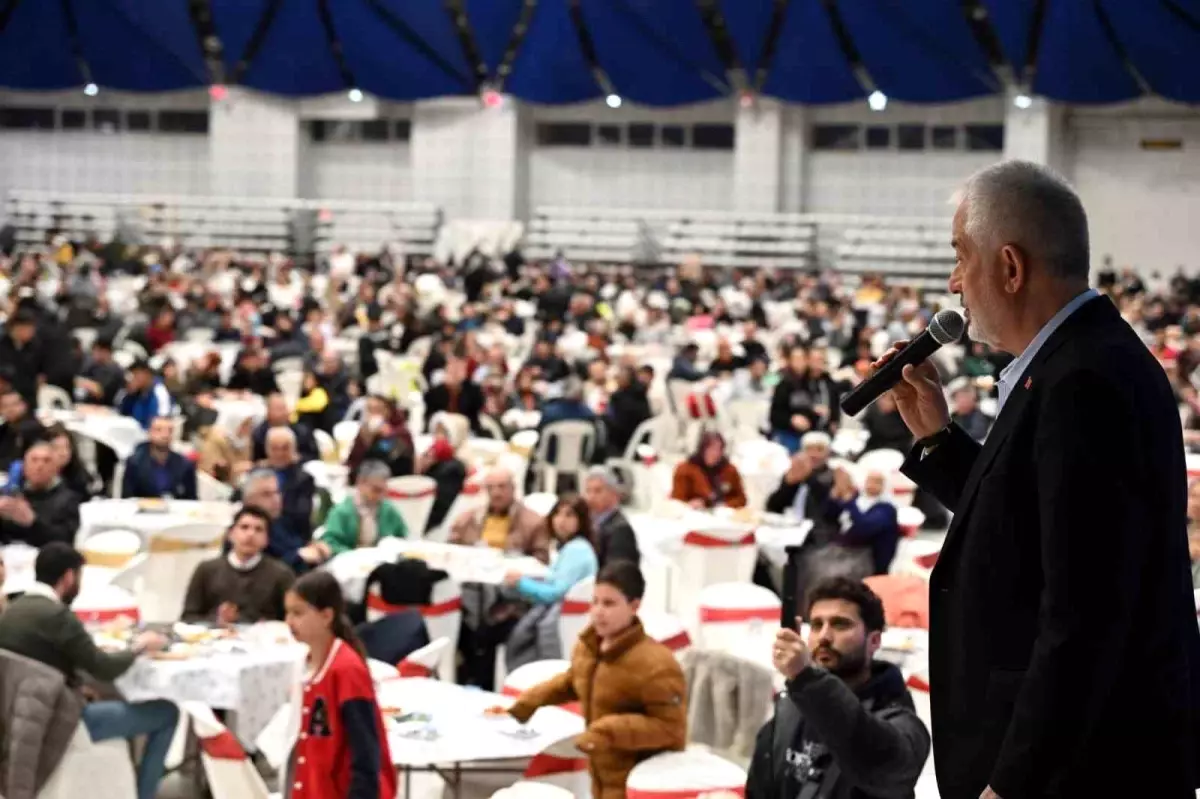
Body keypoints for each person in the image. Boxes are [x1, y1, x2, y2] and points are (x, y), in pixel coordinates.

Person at [885, 161, 1199, 798]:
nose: (953, 282)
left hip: (1080, 768)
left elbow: (1083, 614)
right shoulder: (1071, 363)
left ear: (1009, 267)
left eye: (959, 256)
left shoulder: (1084, 382)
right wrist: (937, 440)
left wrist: (1013, 783)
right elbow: (1028, 526)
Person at [0, 543, 177, 799]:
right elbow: (104, 668)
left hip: (21, 719)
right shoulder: (58, 617)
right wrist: (140, 647)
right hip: (63, 722)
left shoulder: (14, 610)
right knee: (167, 712)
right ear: (69, 577)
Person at [498, 561, 687, 799]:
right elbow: (574, 680)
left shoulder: (657, 664)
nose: (598, 611)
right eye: (595, 601)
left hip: (638, 783)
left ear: (634, 606)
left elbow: (671, 729)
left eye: (609, 603)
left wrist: (608, 731)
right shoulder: (589, 647)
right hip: (598, 775)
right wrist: (528, 702)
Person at [746, 577, 929, 799]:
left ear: (874, 641)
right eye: (816, 625)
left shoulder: (902, 726)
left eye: (840, 624)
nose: (824, 636)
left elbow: (873, 753)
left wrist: (806, 679)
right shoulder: (788, 711)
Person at [285, 571, 397, 799]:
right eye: (287, 612)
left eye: (298, 613)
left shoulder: (346, 670)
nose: (289, 621)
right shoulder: (306, 664)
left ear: (326, 616)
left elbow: (366, 752)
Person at [498, 494, 599, 671]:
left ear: (581, 520)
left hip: (561, 620)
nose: (561, 520)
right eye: (558, 514)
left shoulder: (577, 550)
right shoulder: (570, 547)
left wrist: (521, 582)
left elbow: (554, 593)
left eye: (569, 515)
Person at [181, 505, 294, 624]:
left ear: (267, 539)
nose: (250, 534)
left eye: (258, 529)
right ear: (230, 534)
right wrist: (217, 621)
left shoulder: (281, 574)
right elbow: (188, 617)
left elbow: (289, 619)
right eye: (244, 527)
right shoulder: (206, 570)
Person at [449, 466, 550, 562]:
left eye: (502, 486)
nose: (495, 493)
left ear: (513, 488)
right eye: (490, 488)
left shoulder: (534, 522)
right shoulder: (468, 518)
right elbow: (452, 547)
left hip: (512, 575)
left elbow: (541, 559)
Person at [320, 460, 409, 558]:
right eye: (376, 490)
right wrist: (356, 555)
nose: (381, 496)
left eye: (384, 491)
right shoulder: (341, 512)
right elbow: (330, 543)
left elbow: (403, 536)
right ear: (360, 483)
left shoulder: (388, 509)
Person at [242, 468, 323, 573]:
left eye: (277, 492)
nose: (275, 499)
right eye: (266, 494)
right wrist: (298, 557)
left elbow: (299, 544)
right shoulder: (244, 530)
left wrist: (315, 547)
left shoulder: (281, 520)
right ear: (249, 500)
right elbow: (257, 570)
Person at [0, 440, 81, 546]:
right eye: (34, 460)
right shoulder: (11, 494)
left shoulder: (68, 500)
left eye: (47, 461)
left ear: (57, 468)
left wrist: (32, 522)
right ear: (24, 467)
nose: (39, 466)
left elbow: (65, 540)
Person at [827, 467, 900, 577]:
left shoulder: (886, 509)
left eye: (877, 482)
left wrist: (848, 500)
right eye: (870, 480)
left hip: (867, 560)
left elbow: (863, 528)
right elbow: (829, 515)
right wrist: (834, 496)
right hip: (843, 550)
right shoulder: (858, 499)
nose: (872, 485)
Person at [121, 416, 197, 500]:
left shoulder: (185, 465)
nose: (165, 435)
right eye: (159, 430)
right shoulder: (134, 463)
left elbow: (192, 500)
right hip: (143, 511)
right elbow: (127, 498)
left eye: (170, 431)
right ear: (149, 432)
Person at [417, 412, 469, 532]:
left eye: (444, 433)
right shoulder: (429, 457)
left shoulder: (456, 466)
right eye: (436, 432)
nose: (439, 437)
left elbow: (441, 503)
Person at [263, 426, 316, 542]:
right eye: (274, 448)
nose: (280, 453)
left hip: (290, 535)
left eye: (285, 448)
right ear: (267, 450)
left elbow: (301, 515)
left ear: (294, 450)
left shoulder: (304, 479)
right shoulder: (258, 474)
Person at [670, 431, 747, 510]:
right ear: (702, 449)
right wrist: (689, 504)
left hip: (723, 515)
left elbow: (742, 499)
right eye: (711, 449)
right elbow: (676, 501)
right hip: (693, 516)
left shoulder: (729, 470)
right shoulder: (685, 470)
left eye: (719, 449)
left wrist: (724, 505)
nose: (715, 453)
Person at [345, 395, 414, 480]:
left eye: (377, 410)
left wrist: (389, 436)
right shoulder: (364, 431)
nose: (373, 414)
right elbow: (353, 461)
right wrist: (367, 439)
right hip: (365, 478)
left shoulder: (400, 431)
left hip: (394, 478)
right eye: (370, 409)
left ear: (388, 411)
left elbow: (402, 457)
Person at [583, 466, 640, 567]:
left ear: (614, 494)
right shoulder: (587, 522)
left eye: (598, 491)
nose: (590, 497)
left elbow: (618, 571)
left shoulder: (620, 529)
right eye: (588, 491)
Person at [423, 355, 485, 434]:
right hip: (441, 432)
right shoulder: (434, 392)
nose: (455, 373)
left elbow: (476, 410)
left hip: (467, 431)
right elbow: (430, 417)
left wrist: (459, 387)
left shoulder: (472, 390)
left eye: (458, 369)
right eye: (451, 369)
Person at [769, 346, 815, 453]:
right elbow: (774, 416)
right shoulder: (783, 383)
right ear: (790, 361)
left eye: (802, 359)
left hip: (809, 431)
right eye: (795, 359)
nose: (799, 363)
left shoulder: (812, 382)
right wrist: (791, 419)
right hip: (787, 432)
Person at [251, 393, 318, 463]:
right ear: (268, 412)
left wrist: (299, 458)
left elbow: (314, 457)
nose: (282, 413)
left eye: (284, 408)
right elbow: (255, 461)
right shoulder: (259, 434)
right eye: (278, 409)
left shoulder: (302, 431)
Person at [43, 422, 100, 501]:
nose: (63, 453)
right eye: (56, 448)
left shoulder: (79, 477)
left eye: (66, 447)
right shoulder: (39, 476)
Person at [197, 412, 255, 485]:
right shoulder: (216, 440)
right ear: (235, 424)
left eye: (250, 425)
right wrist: (232, 471)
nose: (248, 429)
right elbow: (207, 471)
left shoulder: (246, 442)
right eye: (245, 425)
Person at [115, 360, 175, 430]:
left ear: (146, 373)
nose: (133, 378)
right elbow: (121, 412)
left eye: (136, 374)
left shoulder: (159, 391)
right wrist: (127, 393)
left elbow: (163, 420)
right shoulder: (133, 391)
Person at [0, 388, 45, 470]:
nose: (10, 409)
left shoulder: (32, 428)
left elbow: (17, 460)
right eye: (5, 406)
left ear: (24, 406)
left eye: (14, 404)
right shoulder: (5, 428)